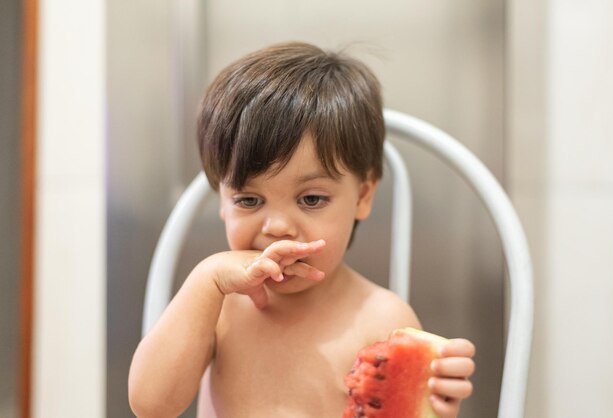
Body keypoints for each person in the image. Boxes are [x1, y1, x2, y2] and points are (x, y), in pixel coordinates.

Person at [129, 42, 475, 418]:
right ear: (222, 201)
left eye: (311, 199)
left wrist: (431, 404)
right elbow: (152, 406)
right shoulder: (219, 305)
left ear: (362, 196)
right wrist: (206, 280)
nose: (277, 227)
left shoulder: (383, 320)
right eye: (248, 200)